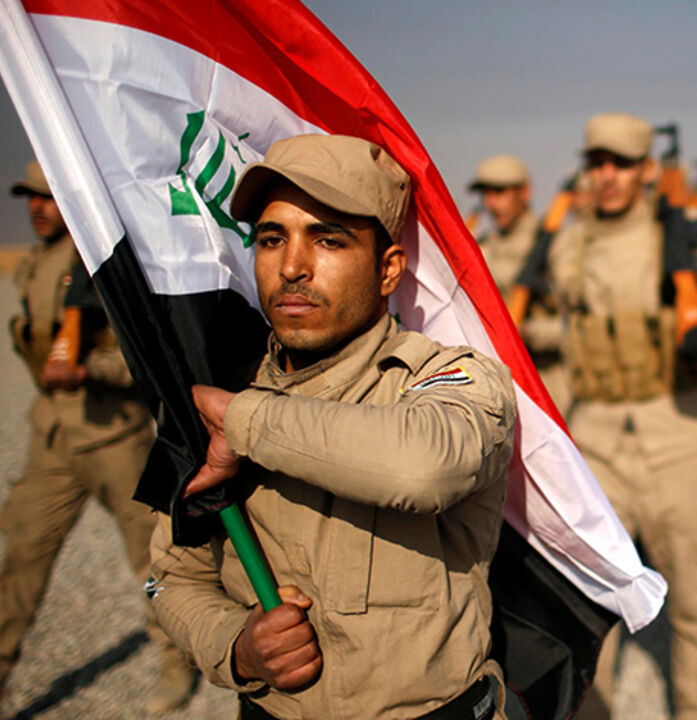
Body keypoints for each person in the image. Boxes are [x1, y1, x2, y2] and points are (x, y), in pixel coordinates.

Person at [147, 135, 516, 720]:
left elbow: (423, 468)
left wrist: (244, 422)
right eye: (272, 240)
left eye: (328, 239)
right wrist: (238, 647)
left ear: (388, 268)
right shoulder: (220, 391)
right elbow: (171, 577)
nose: (292, 266)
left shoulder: (449, 377)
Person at [546, 113, 697, 720]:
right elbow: (565, 323)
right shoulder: (571, 241)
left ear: (647, 171)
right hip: (598, 439)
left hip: (678, 437)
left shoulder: (689, 235)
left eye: (621, 164)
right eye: (597, 163)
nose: (607, 176)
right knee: (588, 601)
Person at [0, 161, 195, 713]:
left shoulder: (107, 265)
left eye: (47, 198)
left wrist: (91, 372)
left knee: (156, 566)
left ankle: (174, 659)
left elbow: (148, 362)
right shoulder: (35, 265)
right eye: (29, 199)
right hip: (54, 438)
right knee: (20, 563)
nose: (37, 209)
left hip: (118, 442)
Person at [468, 155, 569, 411]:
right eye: (486, 194)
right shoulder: (483, 248)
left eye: (500, 192)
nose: (491, 203)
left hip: (548, 381)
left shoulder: (555, 244)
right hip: (499, 383)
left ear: (524, 192)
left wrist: (528, 333)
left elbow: (576, 324)